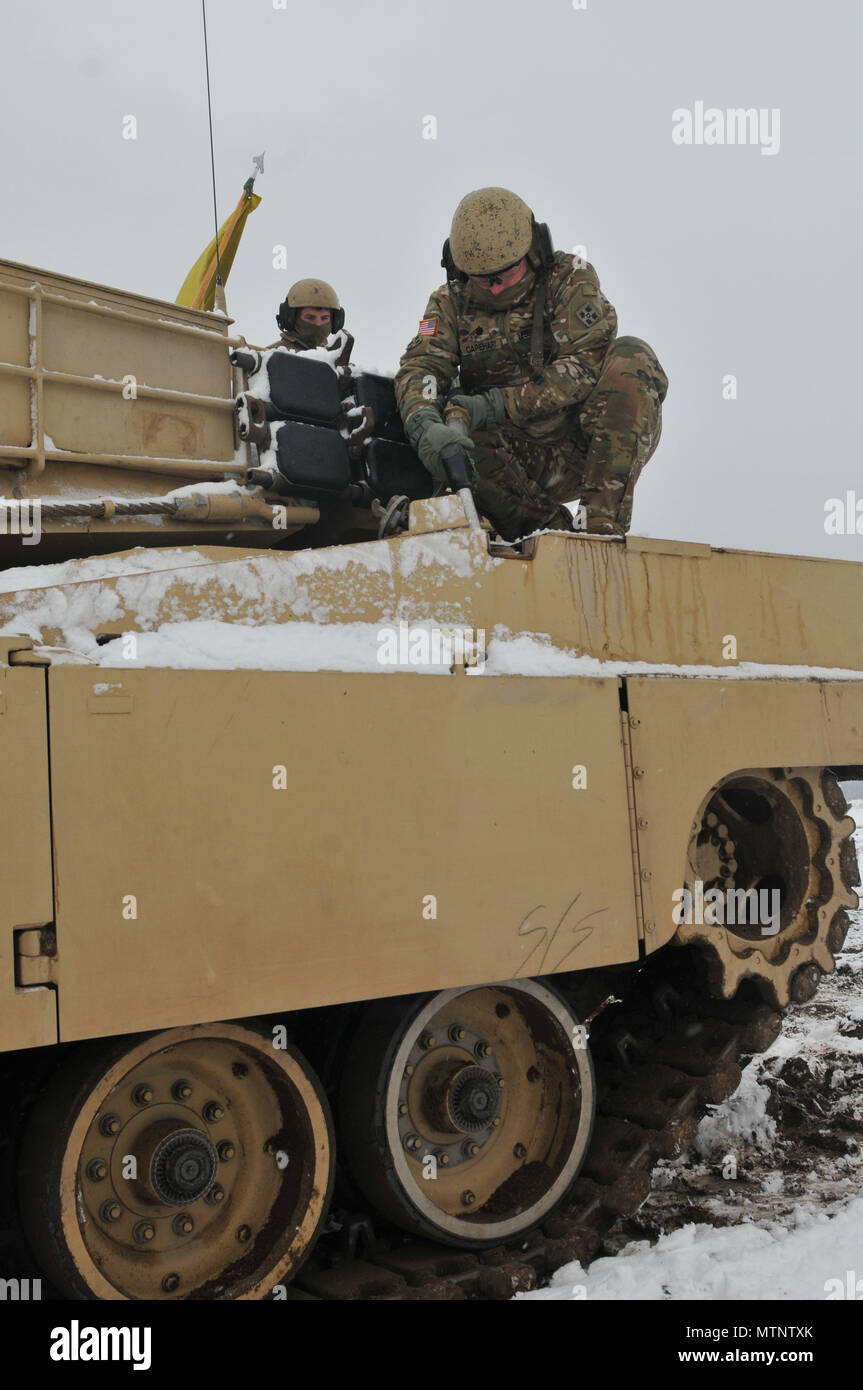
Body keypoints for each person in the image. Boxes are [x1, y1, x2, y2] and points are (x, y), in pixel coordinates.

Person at [394, 188, 668, 540]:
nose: (493, 289)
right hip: (514, 462)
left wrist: (496, 405)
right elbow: (422, 367)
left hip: (586, 442)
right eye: (482, 279)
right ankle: (550, 534)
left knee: (633, 356)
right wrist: (424, 424)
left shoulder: (570, 278)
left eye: (503, 276)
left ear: (534, 253)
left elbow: (585, 365)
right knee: (459, 431)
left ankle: (600, 524)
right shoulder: (448, 302)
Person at [267, 278, 346, 351]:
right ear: (291, 319)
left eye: (324, 318)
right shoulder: (271, 357)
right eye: (310, 318)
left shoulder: (333, 359)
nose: (318, 324)